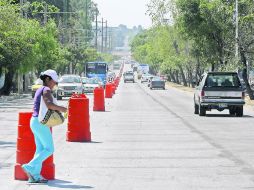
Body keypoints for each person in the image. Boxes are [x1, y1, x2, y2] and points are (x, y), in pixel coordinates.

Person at [22, 69, 67, 184]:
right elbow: (49, 104)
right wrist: (63, 109)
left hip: (35, 122)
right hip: (40, 123)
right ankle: (30, 166)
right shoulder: (46, 89)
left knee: (40, 149)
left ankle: (35, 176)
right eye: (54, 82)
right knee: (49, 149)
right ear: (47, 79)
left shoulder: (40, 89)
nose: (55, 85)